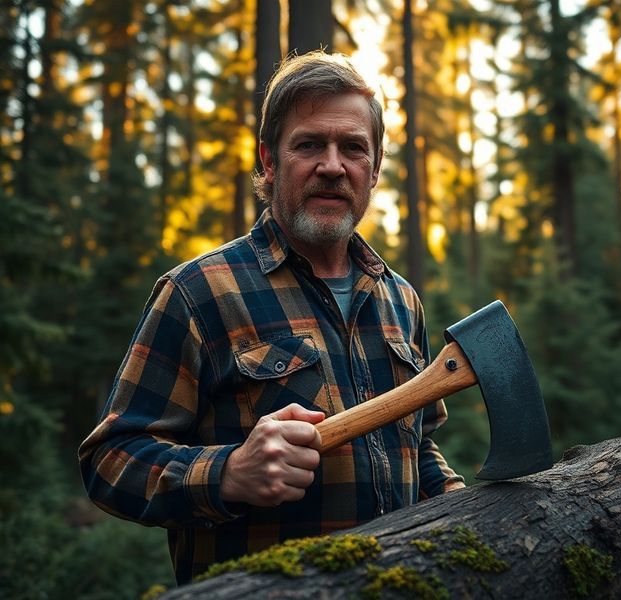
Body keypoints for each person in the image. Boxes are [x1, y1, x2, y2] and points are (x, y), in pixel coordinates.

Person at [79, 50, 464, 585]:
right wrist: (228, 473)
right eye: (309, 145)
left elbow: (416, 447)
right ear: (269, 160)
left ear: (374, 169)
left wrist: (459, 503)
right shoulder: (198, 293)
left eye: (353, 148)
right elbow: (110, 461)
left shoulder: (400, 299)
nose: (333, 166)